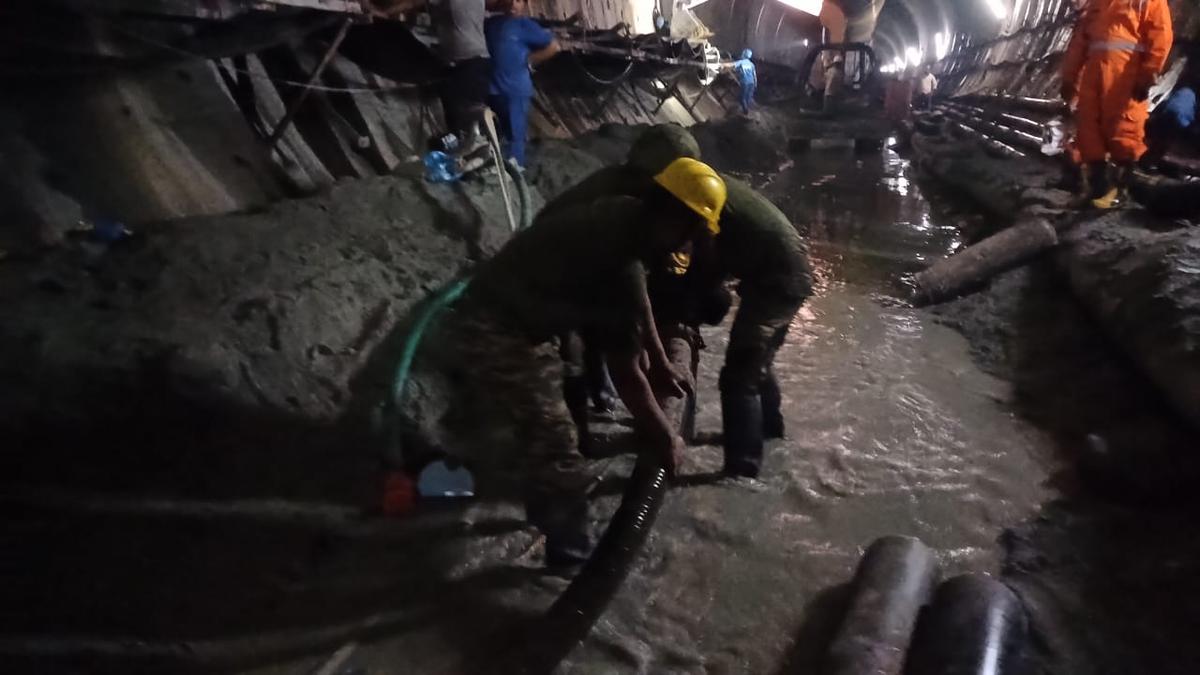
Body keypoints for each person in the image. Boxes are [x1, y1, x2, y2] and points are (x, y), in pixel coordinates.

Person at [417, 157, 726, 568]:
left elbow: (640, 305)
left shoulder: (626, 218)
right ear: (674, 218)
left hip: (526, 317)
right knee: (556, 445)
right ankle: (569, 559)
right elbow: (627, 374)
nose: (686, 245)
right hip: (493, 327)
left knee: (551, 414)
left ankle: (539, 503)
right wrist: (667, 436)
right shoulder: (618, 258)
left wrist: (660, 359)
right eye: (690, 233)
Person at [540, 125, 814, 479]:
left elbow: (703, 265)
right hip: (772, 263)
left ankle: (742, 471)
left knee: (741, 371)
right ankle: (767, 430)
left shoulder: (695, 203)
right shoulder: (673, 194)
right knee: (755, 357)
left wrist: (679, 320)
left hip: (780, 276)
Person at [1060, 0, 1173, 209]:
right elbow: (1079, 43)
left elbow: (1161, 35)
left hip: (1126, 73)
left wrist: (1149, 73)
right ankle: (1096, 187)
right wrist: (1069, 78)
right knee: (1088, 126)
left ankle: (1121, 189)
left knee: (1123, 127)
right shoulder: (1097, 4)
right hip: (1093, 73)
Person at [374, 0, 492, 145]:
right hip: (473, 63)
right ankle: (460, 155)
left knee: (463, 123)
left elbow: (411, 3)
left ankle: (462, 154)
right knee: (462, 125)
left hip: (468, 65)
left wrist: (382, 13)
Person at [484, 0, 560, 166]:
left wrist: (531, 60)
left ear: (525, 4)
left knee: (514, 136)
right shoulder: (491, 24)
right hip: (492, 90)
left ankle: (515, 173)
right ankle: (495, 170)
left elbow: (553, 46)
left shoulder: (526, 25)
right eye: (509, 0)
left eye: (518, 1)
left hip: (515, 91)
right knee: (493, 134)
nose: (512, 4)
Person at [1142, 83, 1196, 170]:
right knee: (1163, 143)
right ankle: (1151, 161)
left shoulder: (1183, 92)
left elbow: (1164, 105)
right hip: (1177, 123)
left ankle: (1147, 158)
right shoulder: (1191, 98)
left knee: (1158, 140)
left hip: (1166, 118)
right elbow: (1190, 117)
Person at [731, 49, 758, 114]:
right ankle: (747, 110)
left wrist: (721, 65)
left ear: (743, 54)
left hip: (745, 82)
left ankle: (745, 111)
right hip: (751, 83)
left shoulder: (741, 62)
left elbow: (732, 65)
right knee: (748, 98)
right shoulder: (751, 64)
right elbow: (754, 75)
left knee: (742, 98)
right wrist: (755, 84)